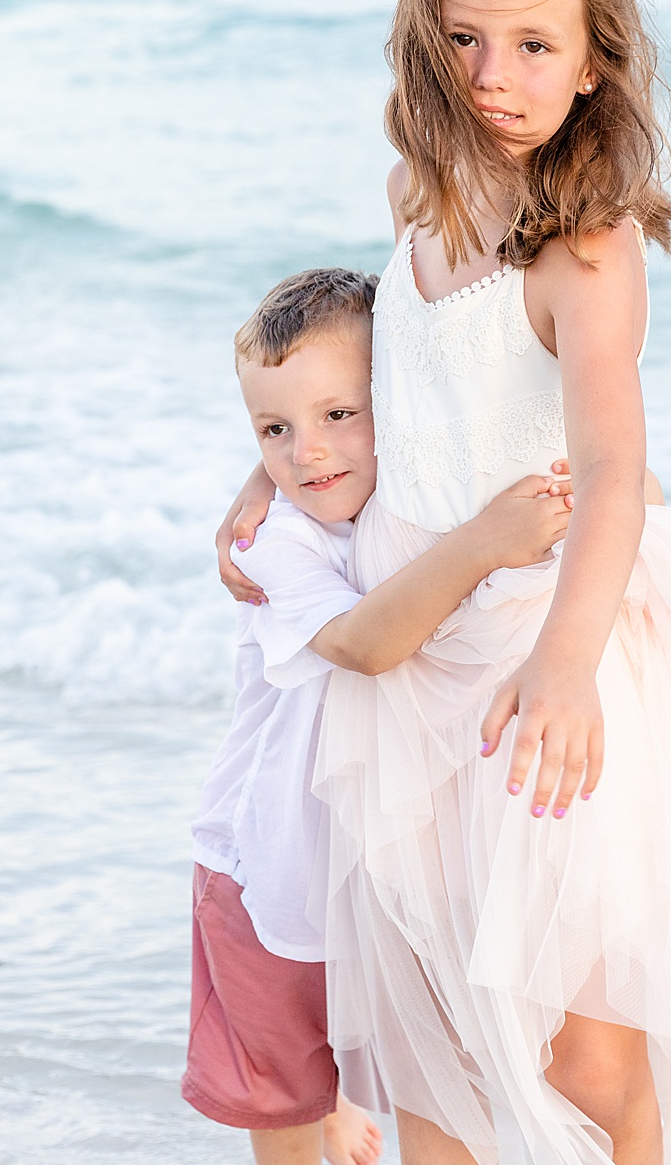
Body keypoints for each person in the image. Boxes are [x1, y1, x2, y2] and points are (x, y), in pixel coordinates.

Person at [217, 0, 671, 1165]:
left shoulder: (582, 249)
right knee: (427, 1022)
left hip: (544, 649)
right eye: (464, 39)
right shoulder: (416, 189)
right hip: (413, 653)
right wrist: (278, 469)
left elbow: (611, 470)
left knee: (578, 1047)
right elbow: (380, 367)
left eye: (535, 44)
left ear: (596, 62)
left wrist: (565, 667)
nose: (495, 74)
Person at [185, 265, 580, 1165]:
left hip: (389, 876)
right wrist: (486, 542)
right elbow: (367, 643)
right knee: (278, 1088)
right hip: (268, 874)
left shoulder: (414, 509)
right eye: (273, 431)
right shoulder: (276, 541)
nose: (306, 455)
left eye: (336, 417)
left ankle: (335, 1105)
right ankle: (316, 1114)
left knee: (434, 1083)